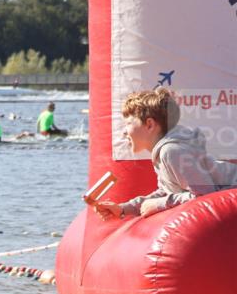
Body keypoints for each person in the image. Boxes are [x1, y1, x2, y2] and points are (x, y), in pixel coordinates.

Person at [92, 87, 237, 220]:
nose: (124, 132)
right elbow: (166, 191)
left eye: (128, 123)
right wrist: (124, 209)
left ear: (149, 125)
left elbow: (205, 197)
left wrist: (160, 204)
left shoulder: (172, 151)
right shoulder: (162, 153)